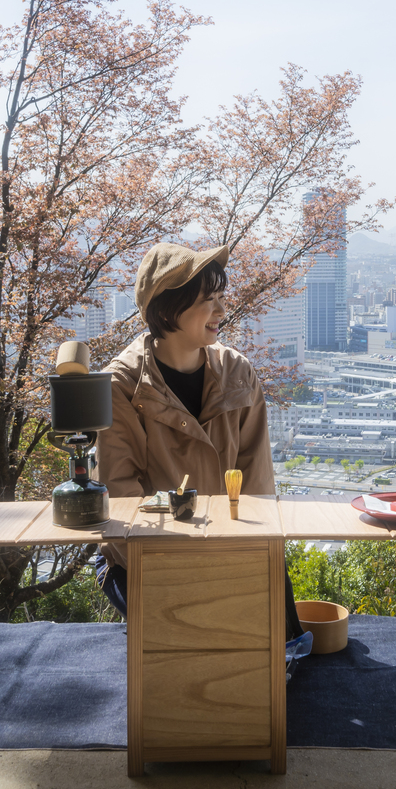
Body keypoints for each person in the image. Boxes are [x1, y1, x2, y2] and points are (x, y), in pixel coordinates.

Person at [92, 241, 278, 617]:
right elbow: (121, 496)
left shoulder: (237, 374)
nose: (222, 311)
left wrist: (253, 561)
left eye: (221, 297)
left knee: (273, 644)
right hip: (141, 557)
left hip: (228, 550)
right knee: (187, 633)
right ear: (168, 307)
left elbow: (257, 483)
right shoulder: (123, 385)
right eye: (209, 299)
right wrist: (187, 571)